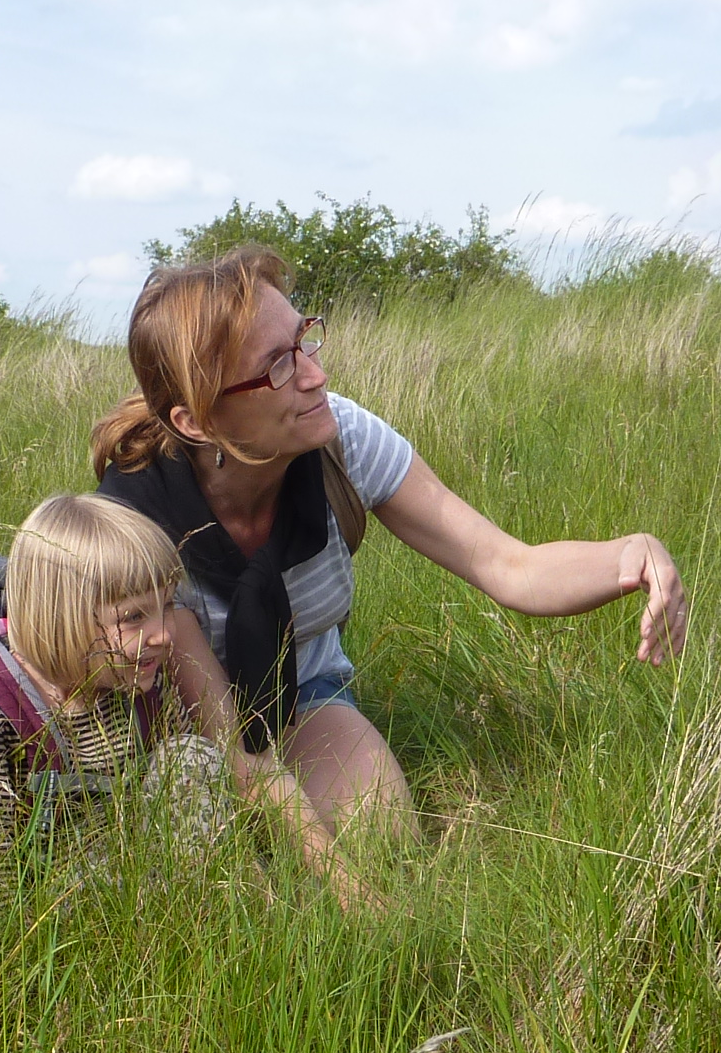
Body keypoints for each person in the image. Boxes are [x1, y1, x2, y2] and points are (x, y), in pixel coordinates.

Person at [91, 248, 687, 839]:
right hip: (162, 721)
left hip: (298, 698)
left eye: (306, 339)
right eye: (276, 367)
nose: (314, 375)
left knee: (380, 835)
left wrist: (627, 556)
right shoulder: (134, 518)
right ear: (197, 420)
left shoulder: (339, 442)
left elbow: (507, 564)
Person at [0, 493, 355, 896]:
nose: (163, 635)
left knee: (190, 754)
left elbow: (200, 803)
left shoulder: (138, 685)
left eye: (166, 606)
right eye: (133, 616)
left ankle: (240, 904)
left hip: (149, 879)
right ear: (60, 617)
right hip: (55, 905)